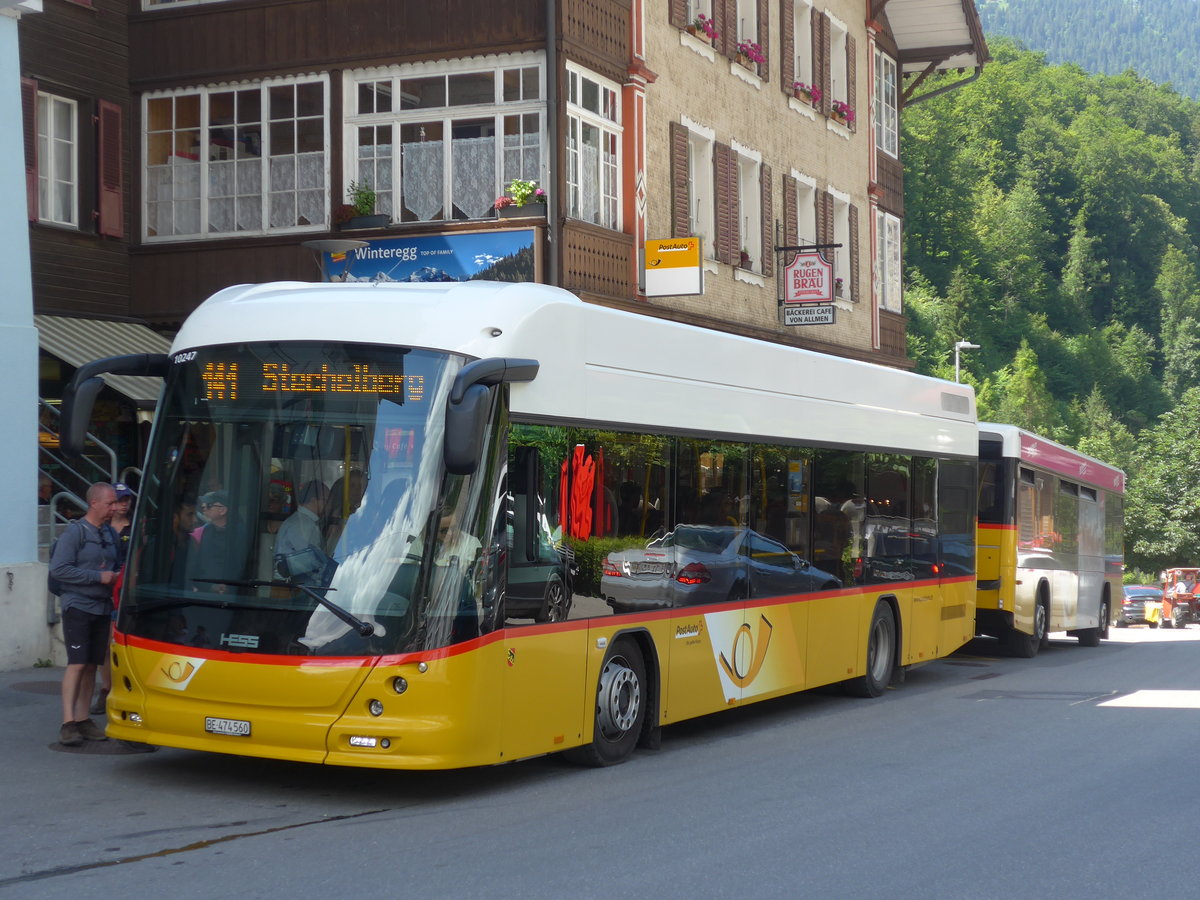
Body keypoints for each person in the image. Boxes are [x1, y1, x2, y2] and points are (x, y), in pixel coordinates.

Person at [49, 482, 119, 747]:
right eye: (110, 503)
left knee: (91, 664)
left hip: (102, 607)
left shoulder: (110, 534)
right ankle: (68, 723)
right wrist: (97, 577)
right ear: (94, 503)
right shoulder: (75, 532)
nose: (114, 507)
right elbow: (59, 569)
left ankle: (83, 719)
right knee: (77, 663)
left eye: (115, 503)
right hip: (77, 605)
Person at [187, 490, 248, 592]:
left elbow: (240, 567)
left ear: (223, 510)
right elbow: (199, 566)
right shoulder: (207, 530)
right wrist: (208, 587)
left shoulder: (241, 533)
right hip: (204, 595)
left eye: (209, 505)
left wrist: (227, 587)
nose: (204, 507)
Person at [275, 480, 331, 583]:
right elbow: (308, 561)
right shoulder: (303, 524)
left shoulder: (301, 520)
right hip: (293, 587)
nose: (327, 506)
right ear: (314, 500)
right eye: (325, 501)